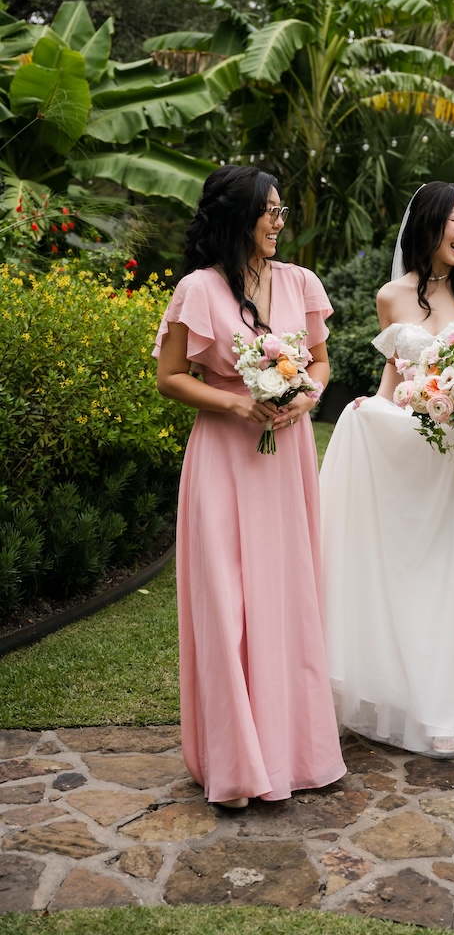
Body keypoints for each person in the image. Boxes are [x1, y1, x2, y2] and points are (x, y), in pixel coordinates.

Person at [319, 181, 454, 758]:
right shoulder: (392, 296)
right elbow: (395, 379)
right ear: (431, 223)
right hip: (416, 451)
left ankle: (453, 707)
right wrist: (372, 408)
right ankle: (412, 696)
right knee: (413, 572)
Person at [154, 165, 345, 808]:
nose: (278, 222)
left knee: (284, 597)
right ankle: (234, 763)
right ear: (237, 217)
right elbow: (171, 376)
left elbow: (319, 359)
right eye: (268, 210)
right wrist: (234, 404)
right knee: (227, 599)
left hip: (285, 456)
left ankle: (293, 751)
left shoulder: (301, 282)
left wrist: (305, 398)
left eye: (282, 210)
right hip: (223, 459)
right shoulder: (198, 291)